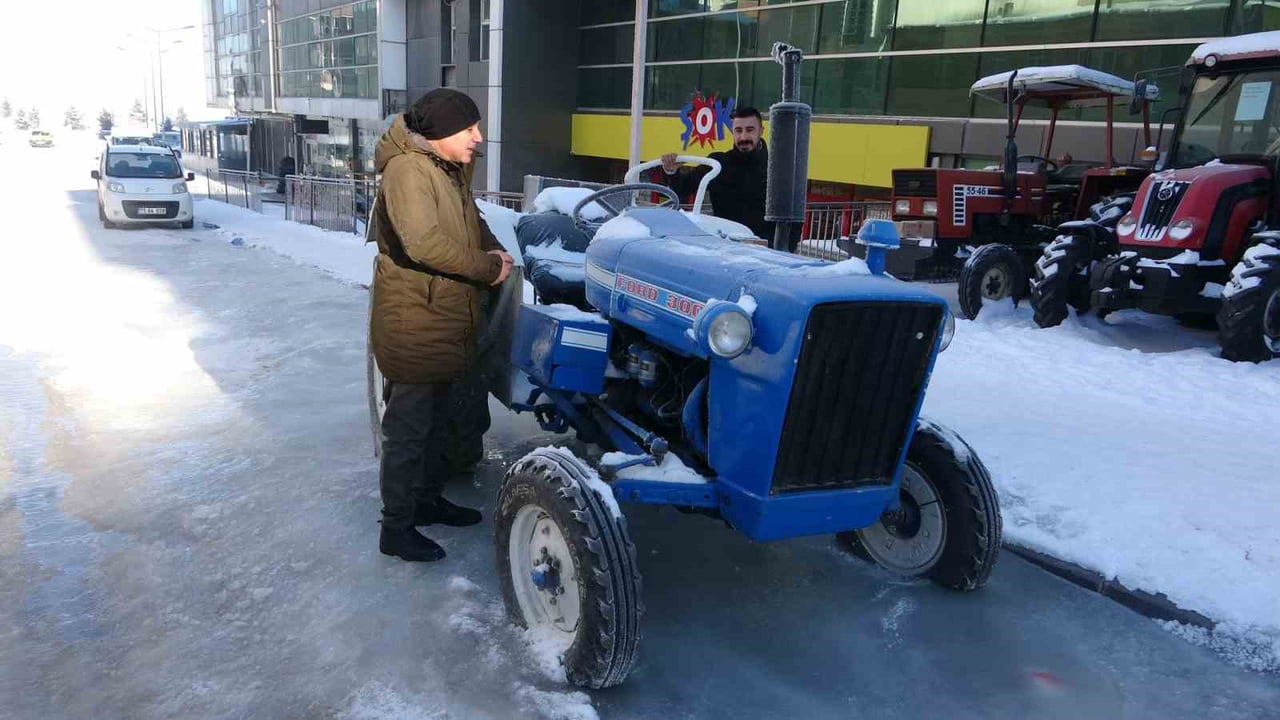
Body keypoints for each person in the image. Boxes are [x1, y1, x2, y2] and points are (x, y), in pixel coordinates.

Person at [368, 88, 514, 562]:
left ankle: (426, 501)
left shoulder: (447, 166)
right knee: (409, 430)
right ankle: (396, 528)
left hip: (446, 313)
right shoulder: (408, 170)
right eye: (469, 128)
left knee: (437, 423)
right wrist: (487, 269)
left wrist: (493, 249)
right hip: (415, 318)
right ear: (441, 132)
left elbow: (470, 220)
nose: (479, 137)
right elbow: (424, 244)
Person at [659, 106, 771, 239]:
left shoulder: (777, 168)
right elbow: (683, 188)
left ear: (761, 131)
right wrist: (671, 171)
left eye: (750, 130)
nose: (743, 137)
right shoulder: (718, 164)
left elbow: (789, 218)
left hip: (766, 248)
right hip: (724, 246)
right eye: (738, 130)